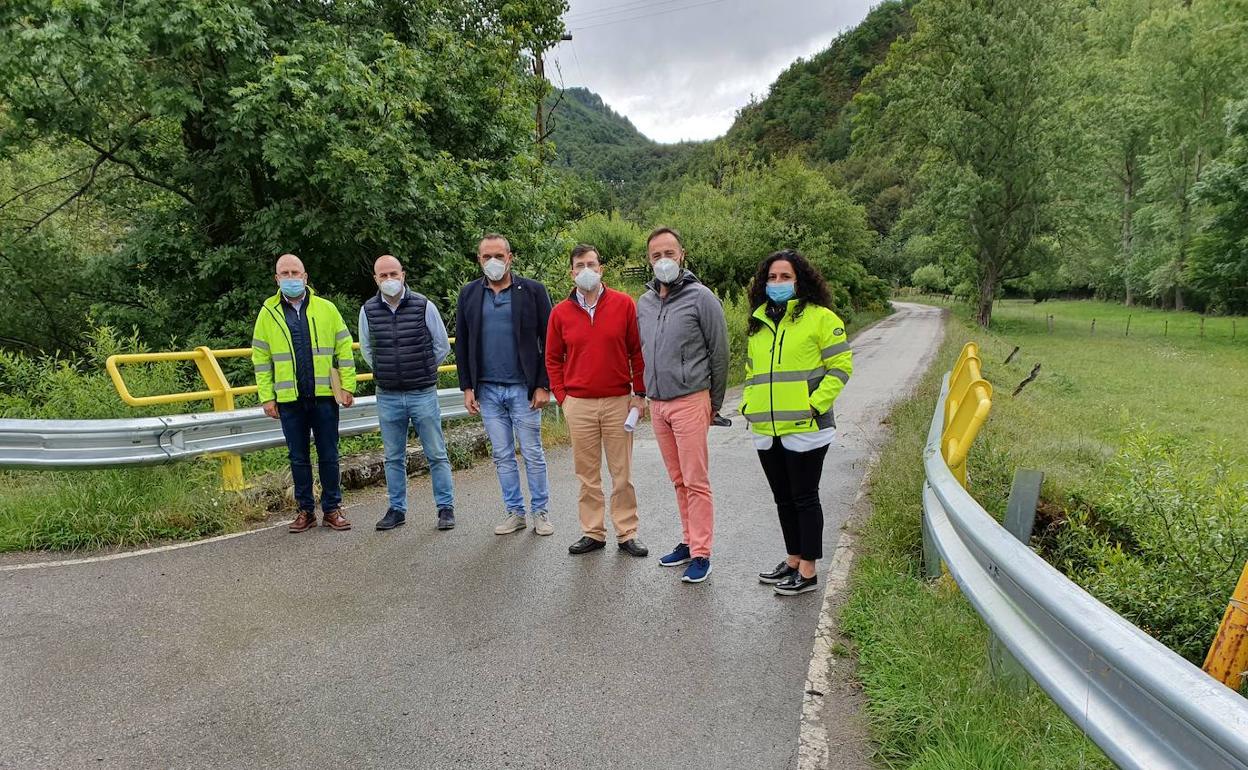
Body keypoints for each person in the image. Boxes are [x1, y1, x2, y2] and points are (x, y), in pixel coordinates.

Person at [741, 249, 853, 596]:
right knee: (783, 498)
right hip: (766, 428)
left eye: (785, 276)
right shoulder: (758, 322)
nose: (777, 283)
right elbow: (751, 372)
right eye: (772, 277)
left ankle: (808, 570)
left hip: (807, 429)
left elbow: (840, 368)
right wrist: (748, 405)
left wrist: (813, 405)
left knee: (805, 497)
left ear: (800, 280)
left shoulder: (822, 318)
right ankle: (792, 559)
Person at [636, 227, 729, 584]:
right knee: (678, 480)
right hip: (658, 404)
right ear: (649, 260)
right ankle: (688, 542)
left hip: (691, 400)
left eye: (669, 254)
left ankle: (702, 553)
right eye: (656, 255)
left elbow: (719, 354)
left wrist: (713, 404)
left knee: (696, 480)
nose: (663, 261)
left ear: (682, 255)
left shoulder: (701, 298)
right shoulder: (644, 303)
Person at [546, 245, 648, 557]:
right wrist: (563, 399)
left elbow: (637, 352)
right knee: (587, 475)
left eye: (591, 263)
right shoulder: (560, 313)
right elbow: (552, 359)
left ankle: (627, 532)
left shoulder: (623, 304)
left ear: (601, 269)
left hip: (619, 399)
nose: (586, 269)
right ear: (572, 272)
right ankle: (593, 532)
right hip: (579, 403)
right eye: (580, 265)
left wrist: (639, 395)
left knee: (622, 474)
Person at [454, 234, 555, 536]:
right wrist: (467, 387)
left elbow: (549, 340)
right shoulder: (469, 294)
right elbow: (463, 342)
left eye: (499, 256)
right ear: (479, 260)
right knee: (502, 455)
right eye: (487, 257)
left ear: (510, 258)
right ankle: (515, 512)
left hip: (523, 388)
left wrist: (543, 384)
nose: (493, 262)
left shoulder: (533, 291)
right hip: (487, 390)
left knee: (533, 453)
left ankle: (541, 512)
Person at [252, 253, 357, 533]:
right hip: (290, 400)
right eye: (284, 273)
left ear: (305, 276)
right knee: (298, 458)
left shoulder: (326, 309)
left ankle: (333, 509)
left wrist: (348, 385)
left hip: (324, 396)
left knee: (329, 455)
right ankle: (305, 511)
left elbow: (344, 349)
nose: (290, 278)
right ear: (276, 279)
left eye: (295, 272)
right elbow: (261, 359)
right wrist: (267, 396)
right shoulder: (268, 313)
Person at [359, 254, 456, 531]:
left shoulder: (424, 305)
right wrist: (388, 370)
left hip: (422, 392)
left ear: (403, 274)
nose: (389, 280)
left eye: (393, 274)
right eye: (383, 276)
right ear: (376, 279)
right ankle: (397, 509)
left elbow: (441, 345)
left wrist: (422, 368)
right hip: (388, 394)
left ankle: (445, 508)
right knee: (393, 457)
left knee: (436, 453)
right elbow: (368, 350)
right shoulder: (368, 310)